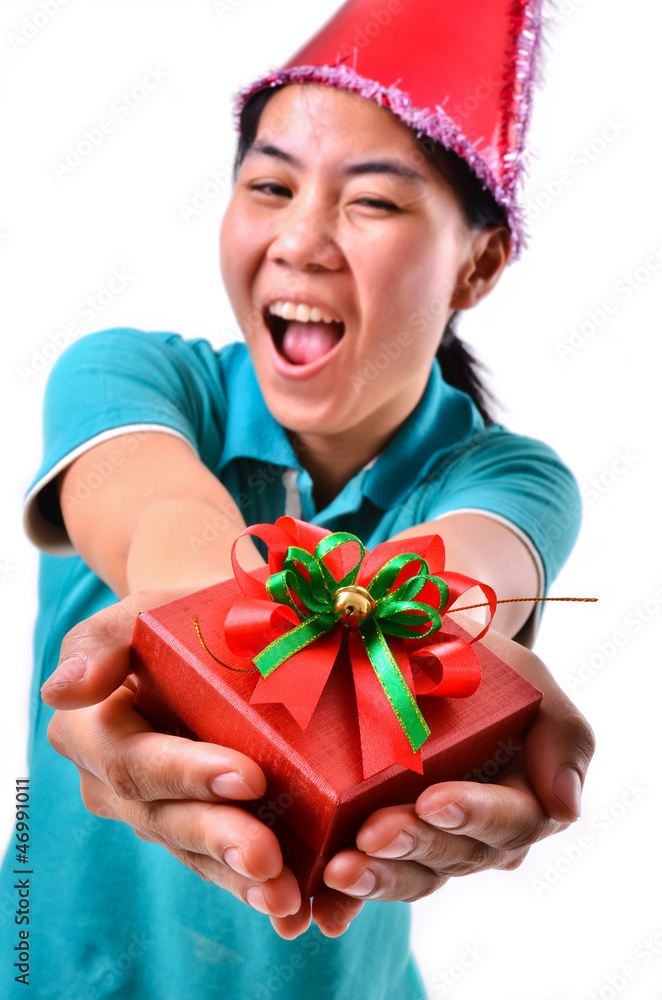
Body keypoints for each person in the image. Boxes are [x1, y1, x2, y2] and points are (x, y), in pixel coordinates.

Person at [1, 1, 595, 997]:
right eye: (269, 186)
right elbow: (162, 524)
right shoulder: (132, 376)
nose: (301, 239)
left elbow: (457, 582)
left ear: (479, 262)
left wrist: (450, 649)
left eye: (372, 202)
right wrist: (198, 633)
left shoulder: (508, 474)